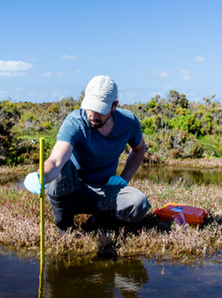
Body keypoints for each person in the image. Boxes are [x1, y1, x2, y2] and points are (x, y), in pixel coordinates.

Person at [26, 75, 151, 230]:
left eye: (100, 110)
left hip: (104, 189)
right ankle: (64, 226)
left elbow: (139, 149)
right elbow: (56, 160)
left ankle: (102, 220)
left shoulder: (128, 122)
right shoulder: (75, 122)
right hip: (73, 190)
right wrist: (41, 176)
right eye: (90, 108)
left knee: (139, 203)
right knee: (61, 171)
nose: (92, 116)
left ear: (114, 106)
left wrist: (124, 179)